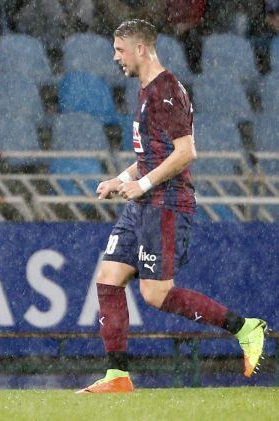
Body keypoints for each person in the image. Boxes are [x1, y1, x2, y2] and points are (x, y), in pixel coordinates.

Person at [78, 19, 268, 394]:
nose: (116, 57)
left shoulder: (166, 93)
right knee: (109, 278)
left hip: (166, 204)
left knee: (155, 294)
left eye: (120, 50)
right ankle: (117, 376)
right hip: (144, 203)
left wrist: (143, 184)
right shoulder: (147, 89)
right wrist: (122, 179)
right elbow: (153, 154)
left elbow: (186, 152)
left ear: (141, 49)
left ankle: (245, 327)